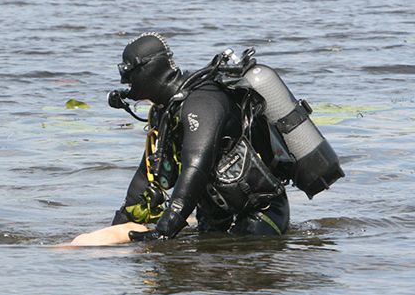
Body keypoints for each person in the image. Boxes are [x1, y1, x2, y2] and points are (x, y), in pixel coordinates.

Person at [71, 32, 343, 245]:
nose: (126, 86)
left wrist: (165, 230)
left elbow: (195, 167)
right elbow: (146, 178)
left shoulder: (202, 102)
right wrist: (115, 229)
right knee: (203, 265)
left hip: (262, 210)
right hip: (214, 215)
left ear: (148, 70)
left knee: (240, 261)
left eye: (129, 76)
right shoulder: (164, 114)